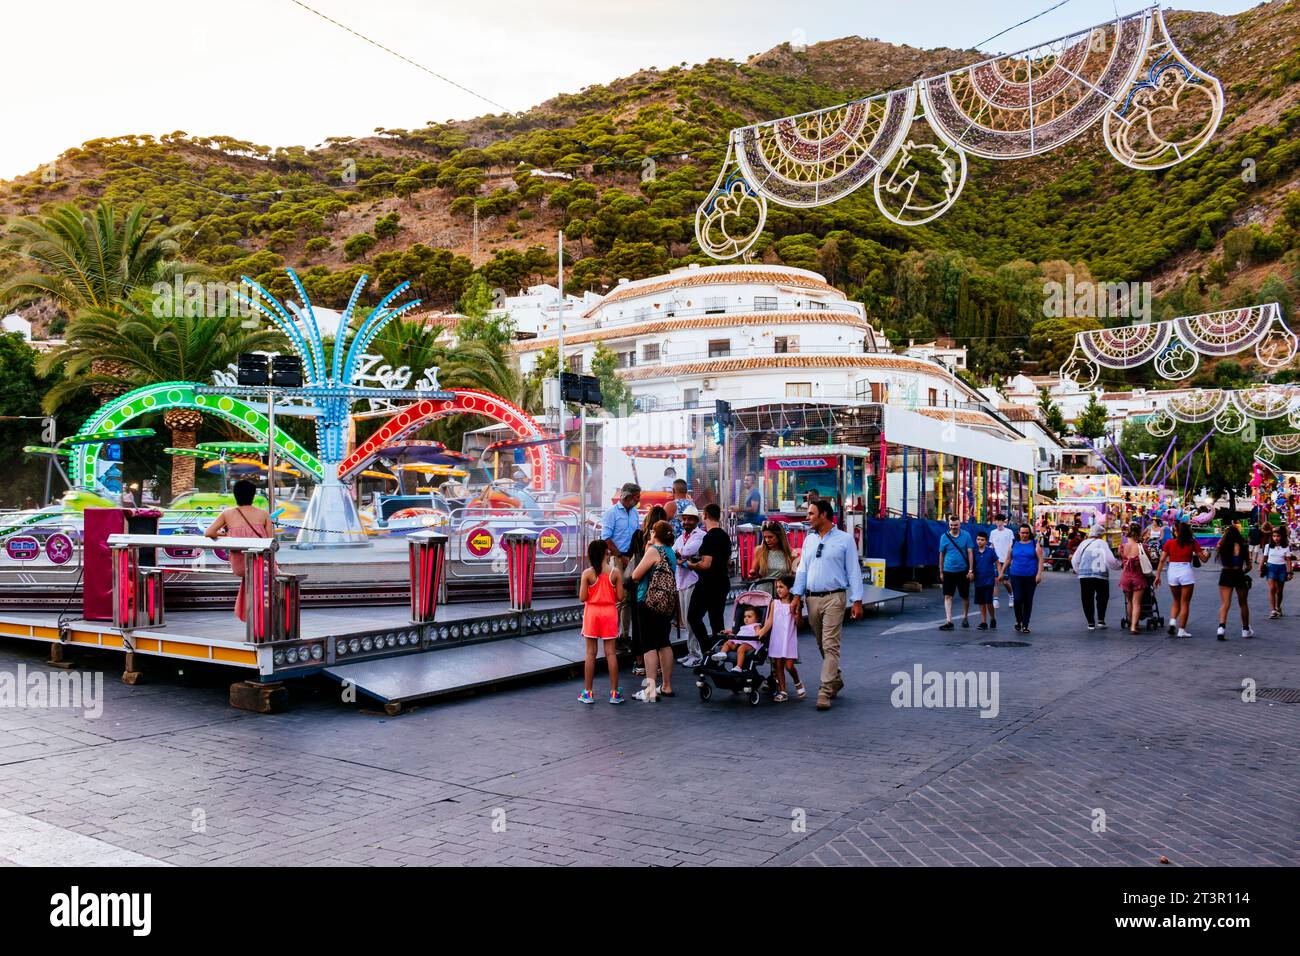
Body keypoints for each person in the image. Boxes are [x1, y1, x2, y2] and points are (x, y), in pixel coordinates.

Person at [790, 498, 863, 712]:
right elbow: (802, 569)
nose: (808, 517)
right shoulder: (809, 540)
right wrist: (796, 596)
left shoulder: (845, 540)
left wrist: (857, 600)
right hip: (812, 599)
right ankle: (835, 678)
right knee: (822, 643)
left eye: (811, 513)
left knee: (831, 644)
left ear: (823, 515)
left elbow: (853, 571)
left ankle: (825, 690)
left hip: (834, 598)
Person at [204, 479, 273, 622]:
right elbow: (270, 540)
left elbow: (209, 532)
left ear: (235, 495)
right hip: (261, 562)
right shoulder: (264, 514)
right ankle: (261, 617)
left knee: (249, 577)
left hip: (240, 565)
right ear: (253, 495)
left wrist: (228, 535)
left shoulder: (227, 514)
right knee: (265, 576)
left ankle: (250, 615)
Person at [629, 520, 677, 702]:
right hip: (666, 603)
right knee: (664, 642)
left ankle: (650, 690)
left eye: (652, 530)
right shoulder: (670, 552)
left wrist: (648, 548)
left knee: (649, 646)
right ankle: (666, 685)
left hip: (648, 601)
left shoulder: (654, 551)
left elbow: (636, 575)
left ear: (655, 533)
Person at [578, 540, 624, 704]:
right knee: (611, 653)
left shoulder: (587, 573)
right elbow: (620, 597)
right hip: (609, 613)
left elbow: (582, 597)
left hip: (592, 613)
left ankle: (588, 693)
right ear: (606, 553)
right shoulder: (615, 572)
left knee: (590, 653)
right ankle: (614, 693)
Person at [685, 503, 732, 660]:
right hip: (722, 582)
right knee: (716, 620)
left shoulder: (709, 537)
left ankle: (707, 650)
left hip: (708, 584)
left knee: (693, 616)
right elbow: (728, 562)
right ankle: (720, 652)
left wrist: (691, 565)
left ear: (704, 515)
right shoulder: (725, 536)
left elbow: (706, 564)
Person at [627, 505, 667, 678]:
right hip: (658, 586)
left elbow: (629, 555)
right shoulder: (664, 539)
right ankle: (657, 665)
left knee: (638, 626)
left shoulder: (638, 535)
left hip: (638, 585)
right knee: (657, 626)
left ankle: (640, 663)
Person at [601, 482, 641, 645]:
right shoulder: (611, 513)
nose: (639, 500)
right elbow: (606, 537)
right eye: (637, 497)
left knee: (628, 599)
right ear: (628, 497)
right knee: (619, 597)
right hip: (617, 558)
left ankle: (624, 635)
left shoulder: (635, 513)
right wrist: (620, 555)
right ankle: (613, 634)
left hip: (631, 558)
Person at [1155, 519, 1208, 638]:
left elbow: (1162, 560)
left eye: (1175, 531)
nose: (1174, 532)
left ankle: (1172, 622)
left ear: (1177, 532)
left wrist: (1157, 575)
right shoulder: (1192, 542)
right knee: (1185, 602)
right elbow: (1203, 559)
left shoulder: (1169, 543)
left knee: (1176, 600)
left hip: (1172, 571)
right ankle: (1181, 630)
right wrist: (1208, 555)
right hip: (1186, 571)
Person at [761, 574, 804, 702]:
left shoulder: (795, 603)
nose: (778, 589)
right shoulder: (774, 603)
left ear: (790, 589)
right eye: (777, 587)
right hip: (777, 639)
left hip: (789, 639)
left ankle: (797, 682)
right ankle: (783, 691)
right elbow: (769, 621)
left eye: (781, 587)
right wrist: (761, 632)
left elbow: (800, 624)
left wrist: (796, 615)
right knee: (778, 666)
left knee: (789, 666)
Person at [673, 504, 706, 666]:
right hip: (682, 581)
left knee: (691, 619)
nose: (686, 522)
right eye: (684, 519)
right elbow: (673, 553)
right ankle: (691, 651)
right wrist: (681, 558)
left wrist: (680, 557)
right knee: (686, 620)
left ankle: (696, 654)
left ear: (696, 521)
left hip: (693, 580)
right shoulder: (681, 537)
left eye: (689, 519)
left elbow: (685, 552)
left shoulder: (700, 535)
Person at [1072, 523, 1121, 630]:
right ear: (1100, 535)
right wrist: (1118, 565)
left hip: (1085, 575)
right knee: (1102, 597)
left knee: (1086, 598)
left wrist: (1078, 570)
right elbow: (1110, 559)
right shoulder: (1102, 543)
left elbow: (1075, 559)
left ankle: (1090, 622)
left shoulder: (1083, 543)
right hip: (1101, 574)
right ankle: (1101, 620)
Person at [1000, 523, 1044, 634]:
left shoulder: (1035, 544)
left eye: (1027, 533)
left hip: (1031, 576)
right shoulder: (1013, 543)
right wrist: (1002, 571)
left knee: (1028, 600)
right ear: (1019, 533)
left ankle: (1025, 624)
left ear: (1030, 533)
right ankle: (1018, 620)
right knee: (1018, 599)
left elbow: (1040, 560)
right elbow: (1008, 559)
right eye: (1022, 533)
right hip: (1016, 576)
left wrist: (1039, 574)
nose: (1024, 535)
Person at [1215, 523, 1253, 641]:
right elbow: (1249, 566)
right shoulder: (1243, 546)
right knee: (1243, 603)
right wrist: (1243, 571)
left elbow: (1218, 544)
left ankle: (1221, 628)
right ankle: (1245, 629)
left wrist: (1224, 534)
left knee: (1225, 603)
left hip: (1226, 573)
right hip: (1238, 573)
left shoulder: (1223, 546)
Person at [937, 515, 975, 631]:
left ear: (960, 524)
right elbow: (941, 555)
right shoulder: (944, 537)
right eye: (951, 525)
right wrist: (941, 571)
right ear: (949, 525)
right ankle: (949, 621)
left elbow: (970, 553)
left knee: (964, 596)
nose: (953, 527)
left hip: (963, 571)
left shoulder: (966, 535)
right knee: (947, 595)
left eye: (956, 525)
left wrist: (970, 570)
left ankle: (965, 617)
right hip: (948, 570)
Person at [1119, 522, 1151, 635]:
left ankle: (1131, 622)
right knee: (1136, 602)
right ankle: (1133, 626)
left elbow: (1122, 559)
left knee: (1129, 601)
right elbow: (1149, 558)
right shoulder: (1143, 547)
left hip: (1125, 576)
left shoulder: (1122, 547)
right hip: (1138, 577)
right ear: (1138, 534)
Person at [711, 605, 763, 672]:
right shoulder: (743, 627)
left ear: (757, 619)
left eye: (749, 617)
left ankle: (738, 667)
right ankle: (722, 653)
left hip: (749, 642)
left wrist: (758, 633)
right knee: (728, 643)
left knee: (741, 648)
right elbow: (738, 634)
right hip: (739, 641)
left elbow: (758, 633)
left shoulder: (756, 625)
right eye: (745, 617)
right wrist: (729, 633)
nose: (746, 618)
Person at [750, 521, 795, 597]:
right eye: (765, 537)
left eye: (770, 537)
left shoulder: (790, 553)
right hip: (763, 595)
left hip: (782, 595)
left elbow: (795, 577)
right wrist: (753, 574)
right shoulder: (759, 550)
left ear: (779, 536)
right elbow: (753, 573)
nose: (767, 540)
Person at [1260, 526, 1293, 620]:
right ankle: (1273, 610)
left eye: (1278, 536)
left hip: (1282, 569)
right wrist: (1260, 568)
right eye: (1274, 536)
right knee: (1272, 588)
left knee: (1279, 591)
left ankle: (1278, 607)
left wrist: (1289, 572)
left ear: (1282, 537)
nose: (1276, 538)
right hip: (1270, 568)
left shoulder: (1286, 547)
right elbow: (1264, 558)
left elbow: (1288, 560)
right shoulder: (1268, 546)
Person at [972, 531, 999, 630]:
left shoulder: (990, 551)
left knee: (988, 601)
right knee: (981, 602)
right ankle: (983, 622)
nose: (980, 541)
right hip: (978, 580)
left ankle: (992, 618)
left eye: (982, 540)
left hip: (989, 580)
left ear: (986, 541)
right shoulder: (974, 551)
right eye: (978, 539)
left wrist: (999, 574)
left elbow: (997, 562)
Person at [988, 514, 1015, 610]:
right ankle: (995, 600)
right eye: (997, 520)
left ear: (1004, 522)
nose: (998, 523)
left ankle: (1011, 596)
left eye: (1000, 521)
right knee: (996, 580)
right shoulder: (993, 532)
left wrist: (1011, 559)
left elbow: (1011, 546)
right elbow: (992, 545)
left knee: (1005, 581)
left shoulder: (1009, 532)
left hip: (1006, 560)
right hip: (996, 561)